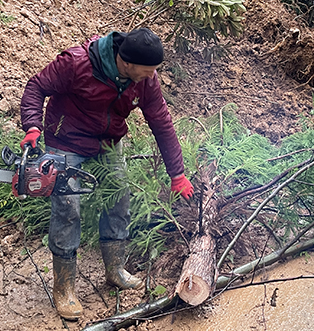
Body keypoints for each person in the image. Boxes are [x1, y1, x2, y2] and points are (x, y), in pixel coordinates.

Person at [19, 27, 194, 320]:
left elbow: (161, 122)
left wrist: (177, 173)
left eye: (154, 71)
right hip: (66, 141)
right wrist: (32, 125)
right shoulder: (76, 63)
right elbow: (36, 86)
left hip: (107, 143)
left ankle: (114, 270)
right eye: (147, 70)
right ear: (125, 62)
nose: (152, 77)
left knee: (119, 200)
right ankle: (64, 288)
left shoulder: (146, 81)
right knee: (68, 210)